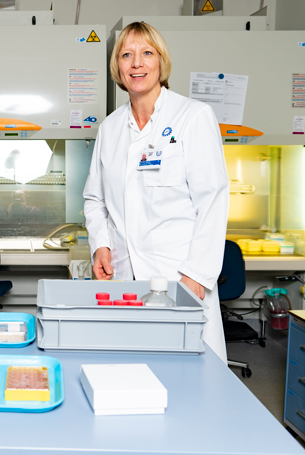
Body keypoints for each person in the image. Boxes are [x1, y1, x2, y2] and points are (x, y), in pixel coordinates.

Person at [83, 22, 229, 363]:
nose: (137, 63)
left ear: (161, 63)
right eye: (127, 55)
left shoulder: (192, 117)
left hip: (179, 276)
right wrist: (100, 245)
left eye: (147, 53)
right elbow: (95, 199)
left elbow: (213, 199)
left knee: (190, 375)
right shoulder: (110, 128)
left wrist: (196, 276)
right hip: (124, 277)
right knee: (130, 370)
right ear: (117, 67)